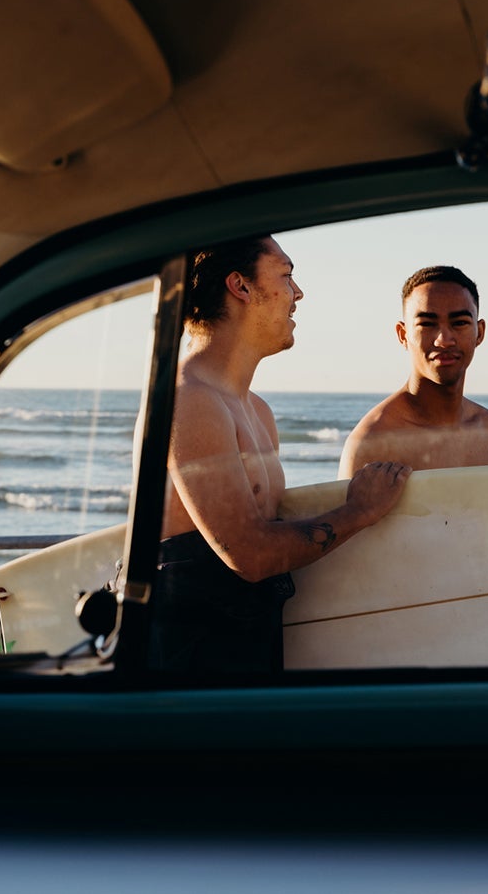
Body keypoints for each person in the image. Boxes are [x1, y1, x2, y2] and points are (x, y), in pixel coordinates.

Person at [152, 235, 412, 673]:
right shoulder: (190, 400)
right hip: (186, 664)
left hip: (244, 647)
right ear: (241, 287)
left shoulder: (256, 411)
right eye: (287, 276)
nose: (298, 293)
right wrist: (359, 511)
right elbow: (249, 555)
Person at [339, 265, 488, 477]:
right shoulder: (373, 441)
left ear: (480, 333)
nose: (444, 339)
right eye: (427, 324)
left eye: (459, 323)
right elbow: (354, 511)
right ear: (403, 335)